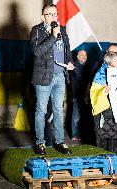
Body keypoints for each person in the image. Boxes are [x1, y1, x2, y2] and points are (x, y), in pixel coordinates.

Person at [30, 3, 74, 155]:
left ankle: (60, 142)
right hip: (43, 77)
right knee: (41, 110)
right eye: (49, 14)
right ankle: (40, 143)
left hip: (60, 75)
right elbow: (37, 51)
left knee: (58, 110)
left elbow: (67, 50)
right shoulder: (36, 30)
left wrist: (70, 62)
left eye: (55, 14)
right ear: (43, 17)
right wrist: (53, 36)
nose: (53, 17)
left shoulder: (62, 29)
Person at [90, 52, 117, 155]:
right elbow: (93, 95)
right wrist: (103, 91)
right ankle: (104, 164)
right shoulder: (100, 75)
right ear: (110, 62)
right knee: (103, 141)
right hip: (105, 114)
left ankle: (116, 163)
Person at [70, 50, 88, 141]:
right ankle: (74, 134)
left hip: (86, 95)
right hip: (77, 94)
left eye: (85, 55)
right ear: (77, 56)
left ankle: (81, 134)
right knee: (76, 115)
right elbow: (78, 78)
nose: (84, 57)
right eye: (81, 55)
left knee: (83, 115)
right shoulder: (74, 66)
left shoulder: (88, 66)